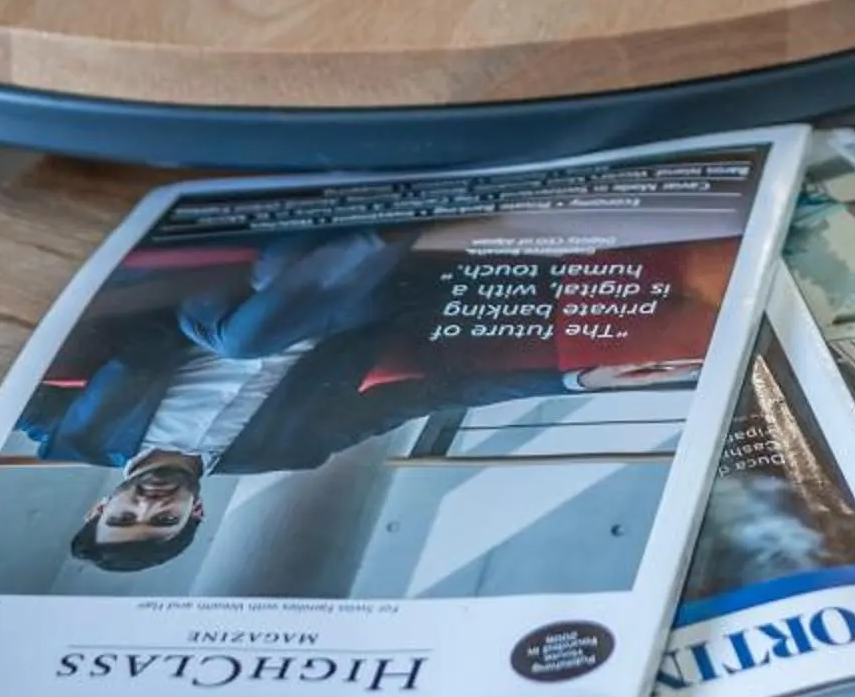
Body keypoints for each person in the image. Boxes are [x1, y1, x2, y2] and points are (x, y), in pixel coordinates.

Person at [44, 222, 726, 572]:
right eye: (162, 522)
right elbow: (432, 393)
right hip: (345, 305)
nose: (150, 507)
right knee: (276, 297)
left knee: (241, 340)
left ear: (105, 503)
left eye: (127, 515)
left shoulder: (67, 430)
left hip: (203, 305)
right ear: (193, 515)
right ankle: (372, 229)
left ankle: (374, 233)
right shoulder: (292, 448)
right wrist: (572, 381)